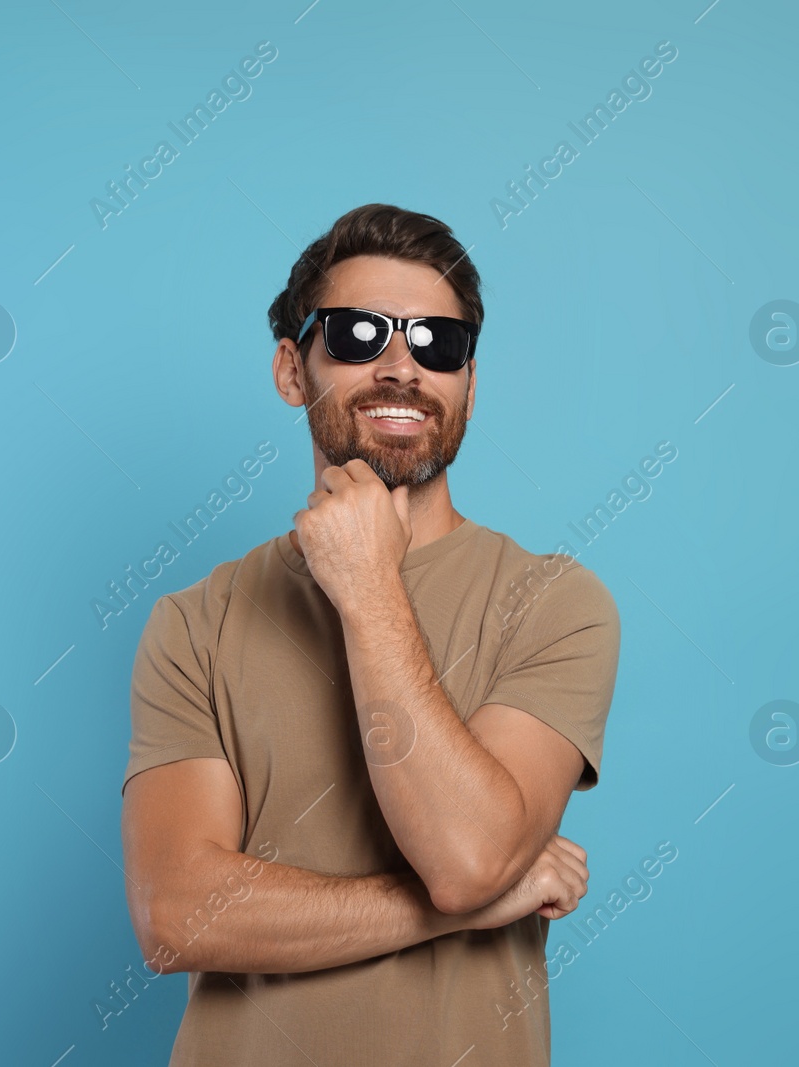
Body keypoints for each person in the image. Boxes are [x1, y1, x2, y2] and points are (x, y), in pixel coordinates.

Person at [119, 203, 622, 1065]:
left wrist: (368, 588)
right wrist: (456, 906)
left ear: (469, 380)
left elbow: (467, 858)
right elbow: (177, 917)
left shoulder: (556, 602)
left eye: (440, 344)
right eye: (357, 334)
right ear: (291, 368)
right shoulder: (194, 621)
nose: (402, 367)